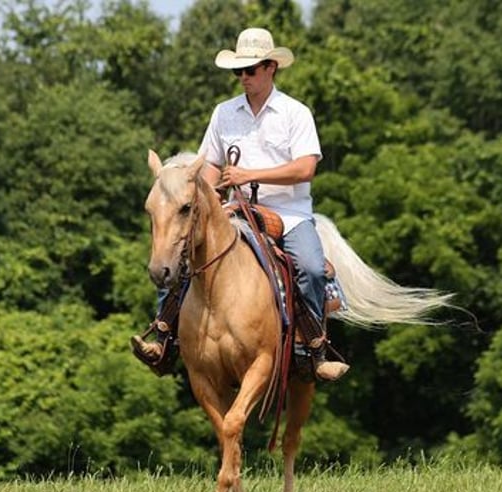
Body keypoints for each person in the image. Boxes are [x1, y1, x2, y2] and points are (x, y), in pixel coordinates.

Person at [131, 27, 349, 382]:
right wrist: (212, 193)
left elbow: (306, 168)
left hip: (289, 215)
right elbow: (212, 163)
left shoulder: (295, 113)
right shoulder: (224, 113)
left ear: (270, 67)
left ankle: (315, 350)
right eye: (239, 71)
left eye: (250, 70)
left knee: (309, 266)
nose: (243, 78)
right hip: (236, 210)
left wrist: (249, 174)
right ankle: (164, 338)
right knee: (184, 253)